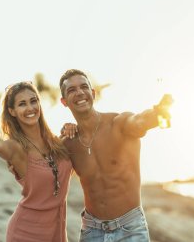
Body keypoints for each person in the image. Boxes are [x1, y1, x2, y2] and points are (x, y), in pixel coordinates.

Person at [0, 81, 77, 242]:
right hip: (25, 233)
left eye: (33, 101)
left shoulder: (57, 143)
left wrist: (72, 128)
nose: (30, 108)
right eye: (22, 104)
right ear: (12, 111)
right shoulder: (15, 148)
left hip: (57, 234)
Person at [59, 69, 172, 242]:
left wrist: (157, 114)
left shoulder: (118, 124)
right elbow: (44, 165)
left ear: (93, 93)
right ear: (64, 101)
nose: (80, 92)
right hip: (91, 231)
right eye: (71, 90)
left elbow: (139, 121)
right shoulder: (69, 143)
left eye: (84, 87)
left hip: (130, 229)